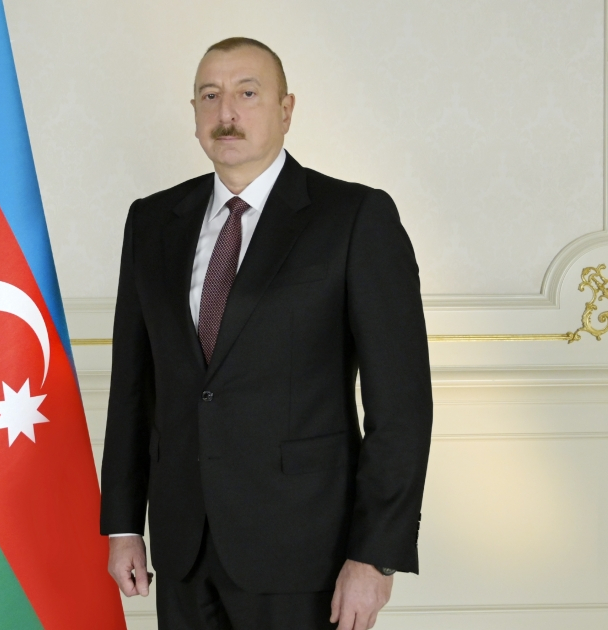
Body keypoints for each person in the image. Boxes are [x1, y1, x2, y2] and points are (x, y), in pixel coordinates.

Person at [100, 37, 432, 630]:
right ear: (195, 114)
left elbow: (400, 406)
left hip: (306, 552)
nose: (226, 112)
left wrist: (375, 555)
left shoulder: (355, 217)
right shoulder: (150, 221)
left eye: (247, 93)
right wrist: (124, 524)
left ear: (286, 108)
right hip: (183, 549)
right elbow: (133, 385)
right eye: (210, 96)